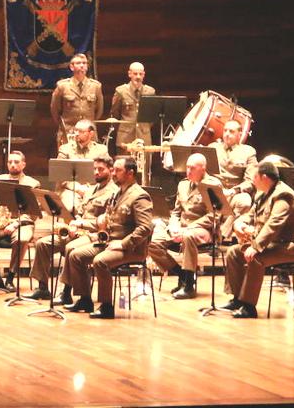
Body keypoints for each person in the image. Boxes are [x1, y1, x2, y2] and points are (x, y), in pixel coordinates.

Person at [64, 157, 153, 318]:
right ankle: (85, 299)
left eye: (117, 170)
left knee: (100, 261)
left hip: (131, 248)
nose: (113, 173)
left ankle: (106, 306)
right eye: (113, 170)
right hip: (110, 242)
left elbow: (145, 228)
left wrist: (123, 244)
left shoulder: (140, 196)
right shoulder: (118, 192)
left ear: (130, 173)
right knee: (75, 255)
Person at [26, 155, 117, 302]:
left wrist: (80, 224)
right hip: (78, 231)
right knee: (42, 243)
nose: (96, 172)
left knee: (70, 248)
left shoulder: (113, 192)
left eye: (100, 169)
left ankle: (66, 292)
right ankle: (43, 287)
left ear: (111, 170)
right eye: (94, 169)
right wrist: (70, 224)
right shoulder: (91, 189)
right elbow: (80, 212)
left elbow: (106, 220)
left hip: (94, 235)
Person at [224, 162, 294, 318]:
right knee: (233, 252)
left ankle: (249, 306)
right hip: (274, 244)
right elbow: (250, 215)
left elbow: (273, 224)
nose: (252, 180)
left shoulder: (284, 195)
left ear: (264, 177)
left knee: (256, 257)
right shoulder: (262, 193)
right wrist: (240, 222)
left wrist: (256, 246)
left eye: (254, 177)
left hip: (290, 247)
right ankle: (237, 298)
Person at [148, 153, 220, 299]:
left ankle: (189, 286)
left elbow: (214, 215)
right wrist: (174, 226)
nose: (188, 171)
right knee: (152, 240)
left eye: (192, 168)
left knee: (188, 236)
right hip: (181, 227)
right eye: (187, 167)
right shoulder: (183, 184)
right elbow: (176, 212)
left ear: (203, 168)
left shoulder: (212, 185)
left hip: (204, 229)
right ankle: (181, 274)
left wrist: (187, 229)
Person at [0, 150, 39, 291]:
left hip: (22, 223)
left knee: (22, 239)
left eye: (16, 162)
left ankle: (10, 276)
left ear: (23, 164)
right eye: (10, 162)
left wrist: (16, 223)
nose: (13, 165)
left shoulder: (32, 183)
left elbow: (33, 212)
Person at [214, 119, 258, 238]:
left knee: (244, 201)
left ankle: (221, 235)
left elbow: (250, 181)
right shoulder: (213, 147)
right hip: (215, 191)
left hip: (233, 194)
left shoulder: (248, 151)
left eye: (231, 131)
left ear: (239, 134)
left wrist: (234, 191)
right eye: (225, 130)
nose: (227, 134)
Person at [50, 53, 103, 147]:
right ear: (71, 67)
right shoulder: (62, 86)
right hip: (68, 133)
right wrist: (64, 126)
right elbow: (55, 110)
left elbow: (99, 110)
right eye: (78, 63)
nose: (82, 65)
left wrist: (88, 125)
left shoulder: (96, 86)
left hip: (89, 134)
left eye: (84, 63)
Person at [108, 62, 156, 151]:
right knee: (123, 164)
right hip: (125, 139)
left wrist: (144, 127)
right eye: (135, 74)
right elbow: (115, 114)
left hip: (144, 138)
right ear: (129, 74)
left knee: (145, 164)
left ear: (144, 75)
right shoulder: (121, 91)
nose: (138, 77)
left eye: (140, 74)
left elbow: (152, 116)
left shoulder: (150, 92)